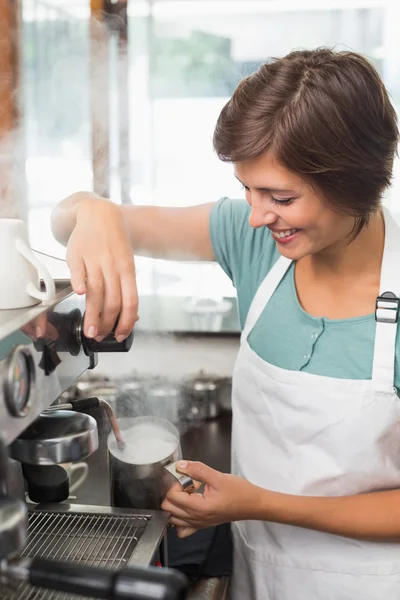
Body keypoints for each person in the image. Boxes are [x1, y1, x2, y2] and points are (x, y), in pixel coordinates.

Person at [51, 47, 400, 599]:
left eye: (280, 196)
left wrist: (257, 503)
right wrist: (96, 213)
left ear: (354, 181)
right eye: (247, 189)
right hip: (259, 575)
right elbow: (63, 217)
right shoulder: (257, 239)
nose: (258, 214)